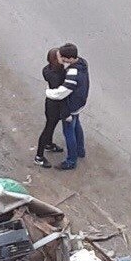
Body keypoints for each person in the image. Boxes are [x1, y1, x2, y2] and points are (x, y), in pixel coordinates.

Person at [47, 42, 89, 171]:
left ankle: (71, 160)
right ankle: (80, 150)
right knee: (77, 126)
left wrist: (49, 93)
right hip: (80, 102)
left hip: (70, 106)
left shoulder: (72, 73)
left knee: (69, 131)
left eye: (62, 57)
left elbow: (62, 92)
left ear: (70, 58)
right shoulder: (82, 63)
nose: (61, 59)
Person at [34, 48, 67, 168]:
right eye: (60, 56)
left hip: (50, 103)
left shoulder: (47, 70)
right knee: (48, 127)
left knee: (51, 125)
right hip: (55, 105)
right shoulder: (57, 75)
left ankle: (48, 143)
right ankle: (39, 156)